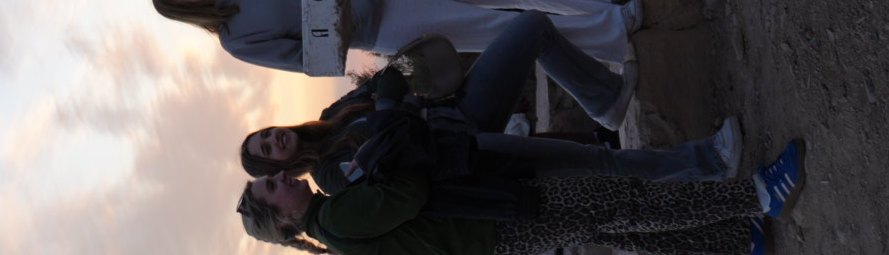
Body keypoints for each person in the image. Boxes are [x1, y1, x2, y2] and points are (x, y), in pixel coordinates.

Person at [240, 12, 741, 188]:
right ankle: (710, 161)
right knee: (597, 163)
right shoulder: (331, 178)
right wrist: (397, 105)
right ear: (277, 169)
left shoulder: (331, 117)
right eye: (268, 151)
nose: (274, 140)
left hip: (459, 110)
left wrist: (402, 84)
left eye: (265, 135)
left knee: (529, 26)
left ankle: (605, 98)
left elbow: (390, 81)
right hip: (467, 153)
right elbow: (397, 149)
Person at [237, 138, 804, 255]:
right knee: (624, 203)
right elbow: (408, 194)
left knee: (615, 229)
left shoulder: (337, 234)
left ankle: (734, 240)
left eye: (272, 177)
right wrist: (383, 162)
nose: (282, 179)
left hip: (495, 237)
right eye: (273, 188)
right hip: (497, 220)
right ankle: (758, 197)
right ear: (284, 222)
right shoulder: (336, 217)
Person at [151, 0, 642, 72]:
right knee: (501, 29)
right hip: (381, 25)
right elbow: (312, 62)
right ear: (182, 8)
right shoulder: (236, 41)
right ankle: (614, 34)